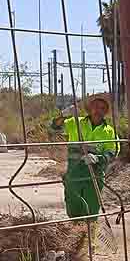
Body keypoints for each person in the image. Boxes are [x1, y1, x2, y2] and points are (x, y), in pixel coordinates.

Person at [50, 93, 118, 224]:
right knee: (74, 209)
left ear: (106, 111)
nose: (98, 110)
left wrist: (98, 158)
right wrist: (63, 115)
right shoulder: (75, 123)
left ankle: (90, 238)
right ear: (89, 108)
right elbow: (54, 128)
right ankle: (76, 234)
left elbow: (112, 151)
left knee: (91, 211)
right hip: (74, 174)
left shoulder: (109, 131)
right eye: (96, 106)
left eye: (102, 108)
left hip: (94, 175)